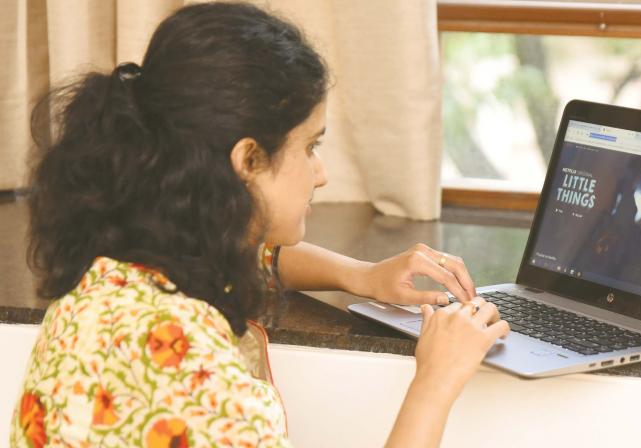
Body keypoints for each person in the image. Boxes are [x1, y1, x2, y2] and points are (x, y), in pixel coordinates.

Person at [10, 2, 509, 447]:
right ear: (247, 159)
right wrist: (436, 380)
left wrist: (358, 275)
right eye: (309, 147)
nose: (322, 174)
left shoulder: (108, 280)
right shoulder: (194, 372)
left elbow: (254, 252)